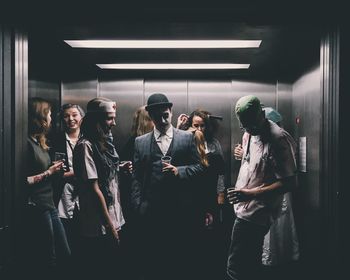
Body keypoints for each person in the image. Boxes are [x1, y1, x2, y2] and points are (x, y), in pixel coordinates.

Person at [131, 93, 203, 280]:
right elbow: (137, 177)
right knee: (153, 260)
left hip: (180, 209)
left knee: (179, 259)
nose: (162, 120)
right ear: (151, 116)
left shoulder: (186, 139)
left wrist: (180, 171)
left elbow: (199, 168)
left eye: (165, 115)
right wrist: (138, 205)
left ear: (171, 112)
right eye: (157, 117)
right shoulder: (141, 142)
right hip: (151, 210)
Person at [226, 95, 297, 280]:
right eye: (244, 125)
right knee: (248, 265)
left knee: (236, 267)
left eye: (251, 124)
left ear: (261, 114)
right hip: (242, 208)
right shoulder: (248, 133)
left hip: (258, 212)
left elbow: (289, 182)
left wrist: (249, 194)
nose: (248, 129)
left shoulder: (279, 139)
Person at [73, 97, 131, 278]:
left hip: (114, 215)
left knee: (115, 267)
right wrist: (110, 225)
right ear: (95, 120)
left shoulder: (104, 143)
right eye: (109, 118)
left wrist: (118, 167)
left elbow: (104, 172)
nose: (113, 123)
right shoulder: (85, 146)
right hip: (98, 222)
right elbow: (94, 188)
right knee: (101, 268)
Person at [177, 109, 226, 280]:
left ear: (207, 126)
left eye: (202, 125)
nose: (199, 129)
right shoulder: (185, 141)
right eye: (195, 125)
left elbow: (220, 172)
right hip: (189, 195)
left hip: (209, 193)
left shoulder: (213, 144)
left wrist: (221, 193)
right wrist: (180, 128)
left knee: (209, 233)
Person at [24, 97, 71, 276]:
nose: (51, 118)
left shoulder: (39, 142)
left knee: (64, 253)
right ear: (41, 117)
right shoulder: (26, 144)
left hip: (49, 203)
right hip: (37, 206)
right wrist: (49, 173)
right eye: (49, 114)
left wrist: (56, 169)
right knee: (48, 257)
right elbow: (23, 181)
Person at [50, 103, 85, 258]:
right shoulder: (55, 140)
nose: (71, 119)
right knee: (66, 232)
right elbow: (52, 171)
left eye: (74, 114)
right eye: (66, 116)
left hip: (86, 193)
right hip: (63, 194)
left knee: (85, 233)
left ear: (81, 117)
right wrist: (75, 174)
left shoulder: (88, 138)